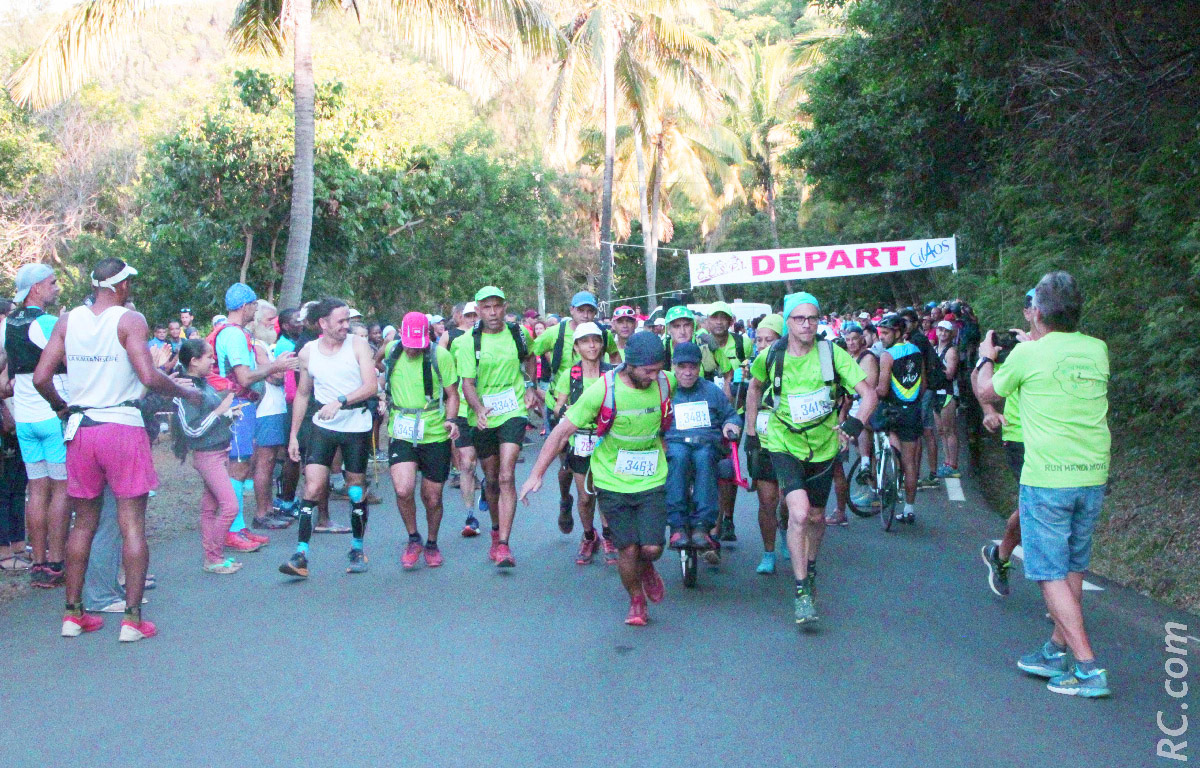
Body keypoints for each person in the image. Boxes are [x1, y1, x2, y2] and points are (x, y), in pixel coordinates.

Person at [36, 257, 202, 642]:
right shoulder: (130, 320)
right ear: (120, 285)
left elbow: (43, 376)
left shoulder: (68, 320)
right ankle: (132, 619)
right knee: (131, 523)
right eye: (129, 282)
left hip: (82, 428)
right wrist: (185, 391)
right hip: (121, 426)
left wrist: (62, 406)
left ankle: (73, 614)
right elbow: (148, 375)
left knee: (85, 522)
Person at [974, 271, 1112, 698]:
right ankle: (1056, 650)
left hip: (1048, 477)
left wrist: (985, 356)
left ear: (1037, 313)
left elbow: (986, 391)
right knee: (1071, 564)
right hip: (1092, 473)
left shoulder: (1027, 355)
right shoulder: (1097, 349)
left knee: (1049, 571)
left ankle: (1088, 668)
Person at [520, 331, 673, 626]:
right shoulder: (604, 390)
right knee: (627, 548)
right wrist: (536, 474)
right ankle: (637, 600)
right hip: (611, 479)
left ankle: (647, 567)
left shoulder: (666, 382)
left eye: (658, 370)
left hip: (652, 477)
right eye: (648, 371)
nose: (654, 377)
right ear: (630, 364)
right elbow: (561, 431)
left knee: (652, 548)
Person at [745, 292, 875, 626]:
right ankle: (802, 591)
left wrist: (853, 424)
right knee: (799, 514)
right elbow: (754, 388)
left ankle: (811, 565)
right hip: (784, 443)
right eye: (799, 318)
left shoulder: (831, 354)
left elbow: (869, 394)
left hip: (824, 446)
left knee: (816, 517)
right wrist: (750, 432)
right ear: (787, 322)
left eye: (813, 318)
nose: (806, 324)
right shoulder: (773, 355)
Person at [280, 298, 379, 578]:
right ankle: (300, 554)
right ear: (323, 323)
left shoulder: (357, 345)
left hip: (356, 425)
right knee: (312, 488)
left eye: (348, 320)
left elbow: (371, 386)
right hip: (322, 426)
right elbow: (302, 394)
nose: (346, 326)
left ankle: (357, 548)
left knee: (355, 489)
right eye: (340, 321)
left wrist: (341, 401)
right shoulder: (308, 352)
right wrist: (293, 436)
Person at [453, 286, 539, 568]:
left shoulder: (518, 333)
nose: (493, 312)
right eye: (486, 307)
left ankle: (504, 544)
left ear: (505, 307)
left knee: (506, 475)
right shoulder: (468, 342)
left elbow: (530, 356)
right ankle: (494, 529)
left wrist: (530, 386)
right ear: (477, 310)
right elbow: (466, 383)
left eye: (497, 306)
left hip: (512, 409)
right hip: (485, 412)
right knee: (490, 478)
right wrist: (477, 410)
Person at [211, 284, 299, 547]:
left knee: (242, 464)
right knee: (238, 466)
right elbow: (245, 377)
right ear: (243, 307)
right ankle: (231, 530)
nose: (255, 310)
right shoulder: (235, 335)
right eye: (253, 305)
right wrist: (277, 365)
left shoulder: (230, 333)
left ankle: (237, 526)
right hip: (238, 404)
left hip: (238, 404)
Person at [528, 290, 619, 535]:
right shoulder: (556, 333)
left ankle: (607, 533)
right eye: (582, 310)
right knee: (568, 470)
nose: (586, 315)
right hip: (569, 413)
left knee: (604, 488)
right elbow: (530, 352)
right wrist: (532, 386)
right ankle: (567, 502)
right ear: (572, 311)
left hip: (602, 428)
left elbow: (615, 355)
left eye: (590, 310)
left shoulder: (605, 344)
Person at [2, 263, 70, 588]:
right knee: (60, 489)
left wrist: (9, 386)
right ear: (36, 289)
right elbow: (71, 361)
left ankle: (38, 563)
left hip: (26, 419)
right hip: (51, 416)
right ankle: (56, 563)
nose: (56, 288)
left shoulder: (8, 325)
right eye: (52, 283)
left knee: (36, 491)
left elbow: (5, 367)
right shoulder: (46, 323)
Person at [381, 313, 460, 570]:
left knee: (432, 497)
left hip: (434, 431)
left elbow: (452, 394)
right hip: (402, 429)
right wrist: (380, 391)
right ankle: (413, 538)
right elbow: (374, 366)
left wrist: (451, 419)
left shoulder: (440, 356)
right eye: (410, 344)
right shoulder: (392, 350)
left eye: (419, 344)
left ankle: (432, 542)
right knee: (403, 489)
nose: (414, 349)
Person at [977, 288, 1039, 596]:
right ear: (1028, 313)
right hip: (1019, 438)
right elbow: (985, 382)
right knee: (1036, 508)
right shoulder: (1014, 349)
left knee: (1033, 508)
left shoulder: (1070, 346)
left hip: (1056, 440)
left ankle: (1000, 554)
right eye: (1035, 306)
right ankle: (1058, 598)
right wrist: (989, 411)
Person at [171, 339, 245, 573]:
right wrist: (219, 412)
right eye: (209, 357)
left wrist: (228, 414)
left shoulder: (203, 384)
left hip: (218, 451)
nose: (213, 361)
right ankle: (214, 557)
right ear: (194, 361)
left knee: (210, 506)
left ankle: (213, 556)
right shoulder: (187, 390)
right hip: (207, 455)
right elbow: (191, 430)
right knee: (230, 506)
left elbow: (209, 417)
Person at [549, 322, 617, 564]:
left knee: (606, 491)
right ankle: (589, 536)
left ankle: (609, 535)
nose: (592, 345)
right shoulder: (571, 375)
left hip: (606, 439)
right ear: (576, 347)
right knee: (586, 495)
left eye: (596, 340)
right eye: (585, 341)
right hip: (580, 440)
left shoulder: (612, 373)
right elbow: (558, 405)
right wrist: (565, 411)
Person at [664, 342, 741, 551]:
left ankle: (703, 525)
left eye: (693, 367)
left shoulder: (712, 391)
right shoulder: (665, 391)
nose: (688, 372)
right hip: (676, 442)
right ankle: (677, 525)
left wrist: (731, 424)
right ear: (674, 366)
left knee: (705, 458)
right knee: (678, 458)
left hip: (706, 443)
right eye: (682, 367)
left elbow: (730, 414)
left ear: (699, 367)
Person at [700, 301, 751, 543]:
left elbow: (751, 377)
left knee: (729, 467)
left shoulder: (743, 343)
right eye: (715, 317)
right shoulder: (699, 343)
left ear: (731, 321)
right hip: (704, 415)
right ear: (708, 321)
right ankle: (709, 519)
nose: (719, 321)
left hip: (734, 413)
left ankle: (727, 518)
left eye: (724, 317)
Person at [874, 314, 924, 523]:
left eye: (885, 333)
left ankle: (888, 462)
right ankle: (909, 508)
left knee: (876, 424)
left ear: (897, 333)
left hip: (893, 410)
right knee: (910, 462)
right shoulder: (916, 350)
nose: (882, 337)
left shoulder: (888, 355)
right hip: (912, 409)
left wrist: (873, 391)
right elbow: (923, 383)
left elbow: (883, 389)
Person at [745, 313, 784, 574]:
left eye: (768, 340)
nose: (761, 345)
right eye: (758, 339)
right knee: (768, 501)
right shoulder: (757, 367)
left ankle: (789, 534)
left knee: (791, 502)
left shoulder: (791, 363)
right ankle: (768, 552)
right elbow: (752, 392)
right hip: (764, 441)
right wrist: (750, 432)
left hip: (793, 443)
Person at [933, 319, 961, 478]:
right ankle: (947, 461)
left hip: (948, 393)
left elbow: (950, 373)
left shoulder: (951, 351)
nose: (942, 333)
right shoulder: (935, 348)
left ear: (950, 334)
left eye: (946, 331)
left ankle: (953, 463)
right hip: (937, 392)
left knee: (949, 429)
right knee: (941, 430)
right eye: (940, 330)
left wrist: (934, 369)